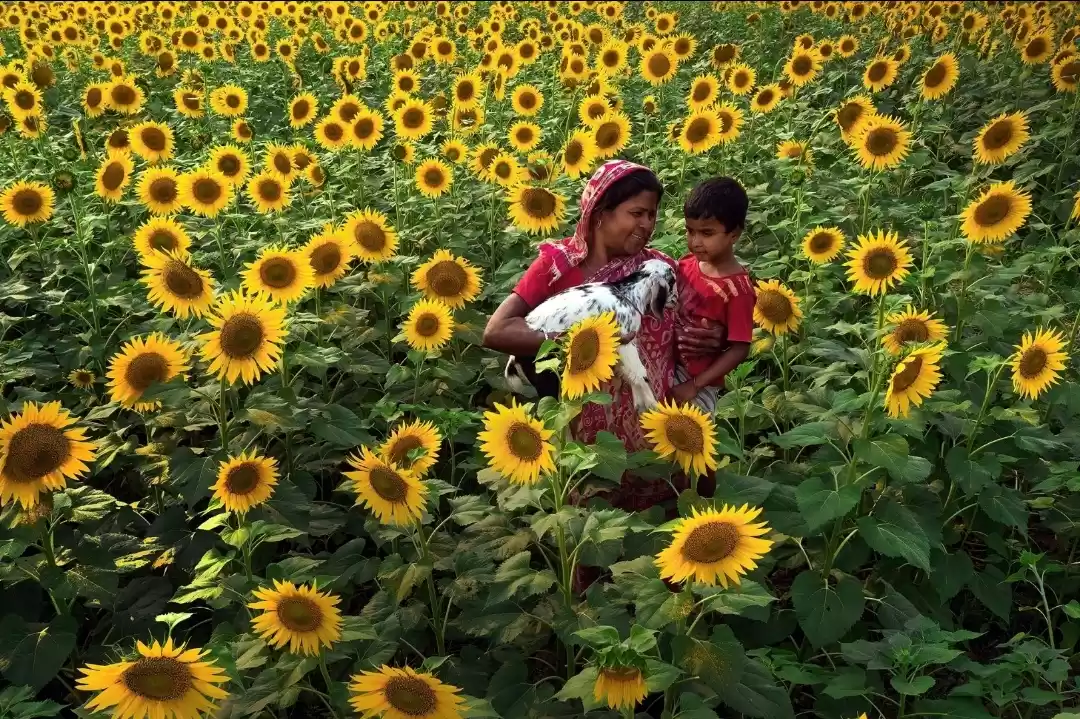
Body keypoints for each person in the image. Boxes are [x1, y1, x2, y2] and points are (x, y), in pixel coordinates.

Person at [483, 159, 726, 511]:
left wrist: (711, 339)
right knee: (597, 531)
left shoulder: (659, 269)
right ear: (600, 212)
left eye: (652, 215)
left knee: (667, 527)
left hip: (656, 431)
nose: (646, 224)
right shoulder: (558, 267)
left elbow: (696, 327)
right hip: (587, 442)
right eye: (636, 213)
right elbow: (498, 330)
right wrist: (585, 342)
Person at [670, 177, 755, 413]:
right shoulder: (687, 264)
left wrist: (694, 385)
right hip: (666, 364)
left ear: (734, 234)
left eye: (707, 233)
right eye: (690, 231)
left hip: (699, 381)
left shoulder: (737, 290)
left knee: (688, 436)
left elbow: (740, 348)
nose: (695, 242)